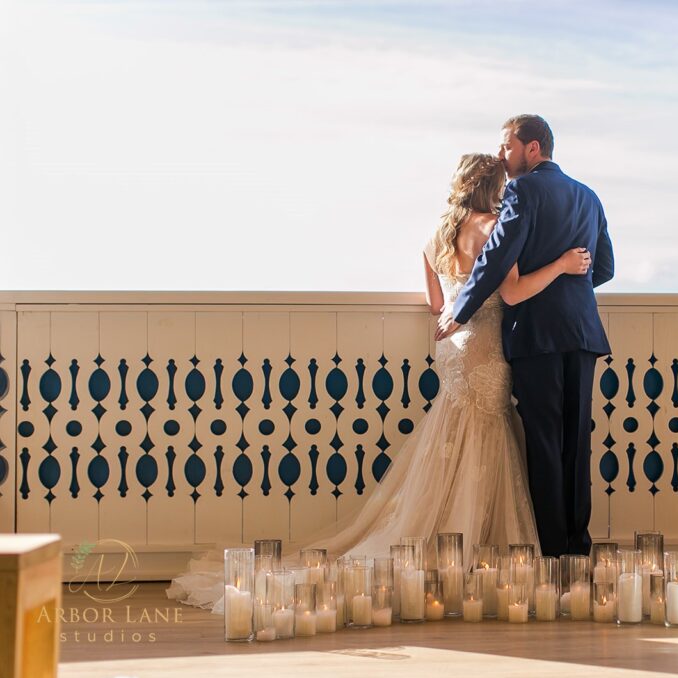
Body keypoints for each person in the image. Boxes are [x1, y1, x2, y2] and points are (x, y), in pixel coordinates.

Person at [167, 152, 591, 610]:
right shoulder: (493, 229)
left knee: (453, 437)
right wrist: (562, 266)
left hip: (452, 349)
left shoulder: (436, 237)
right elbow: (511, 292)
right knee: (488, 438)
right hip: (487, 348)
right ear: (494, 188)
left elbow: (435, 306)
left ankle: (450, 541)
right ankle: (477, 549)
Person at [436, 115, 614, 558]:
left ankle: (553, 556)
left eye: (507, 146)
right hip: (583, 333)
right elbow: (605, 267)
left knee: (545, 444)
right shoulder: (589, 197)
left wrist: (460, 310)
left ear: (533, 148)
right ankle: (578, 550)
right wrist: (568, 282)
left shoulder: (522, 190)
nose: (501, 155)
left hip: (538, 335)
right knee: (576, 444)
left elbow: (496, 257)